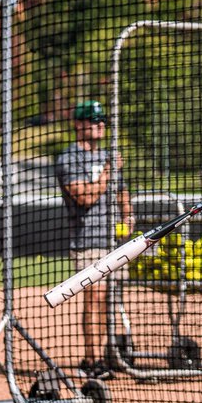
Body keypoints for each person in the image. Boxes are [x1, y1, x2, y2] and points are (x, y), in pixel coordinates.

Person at [55, 100, 133, 378]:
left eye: (102, 120)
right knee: (95, 297)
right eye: (93, 120)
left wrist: (128, 215)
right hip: (87, 240)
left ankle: (111, 353)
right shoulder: (69, 158)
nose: (100, 124)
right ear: (78, 124)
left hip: (113, 241)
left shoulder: (108, 157)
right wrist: (108, 170)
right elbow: (84, 197)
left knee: (112, 299)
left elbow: (121, 190)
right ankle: (91, 361)